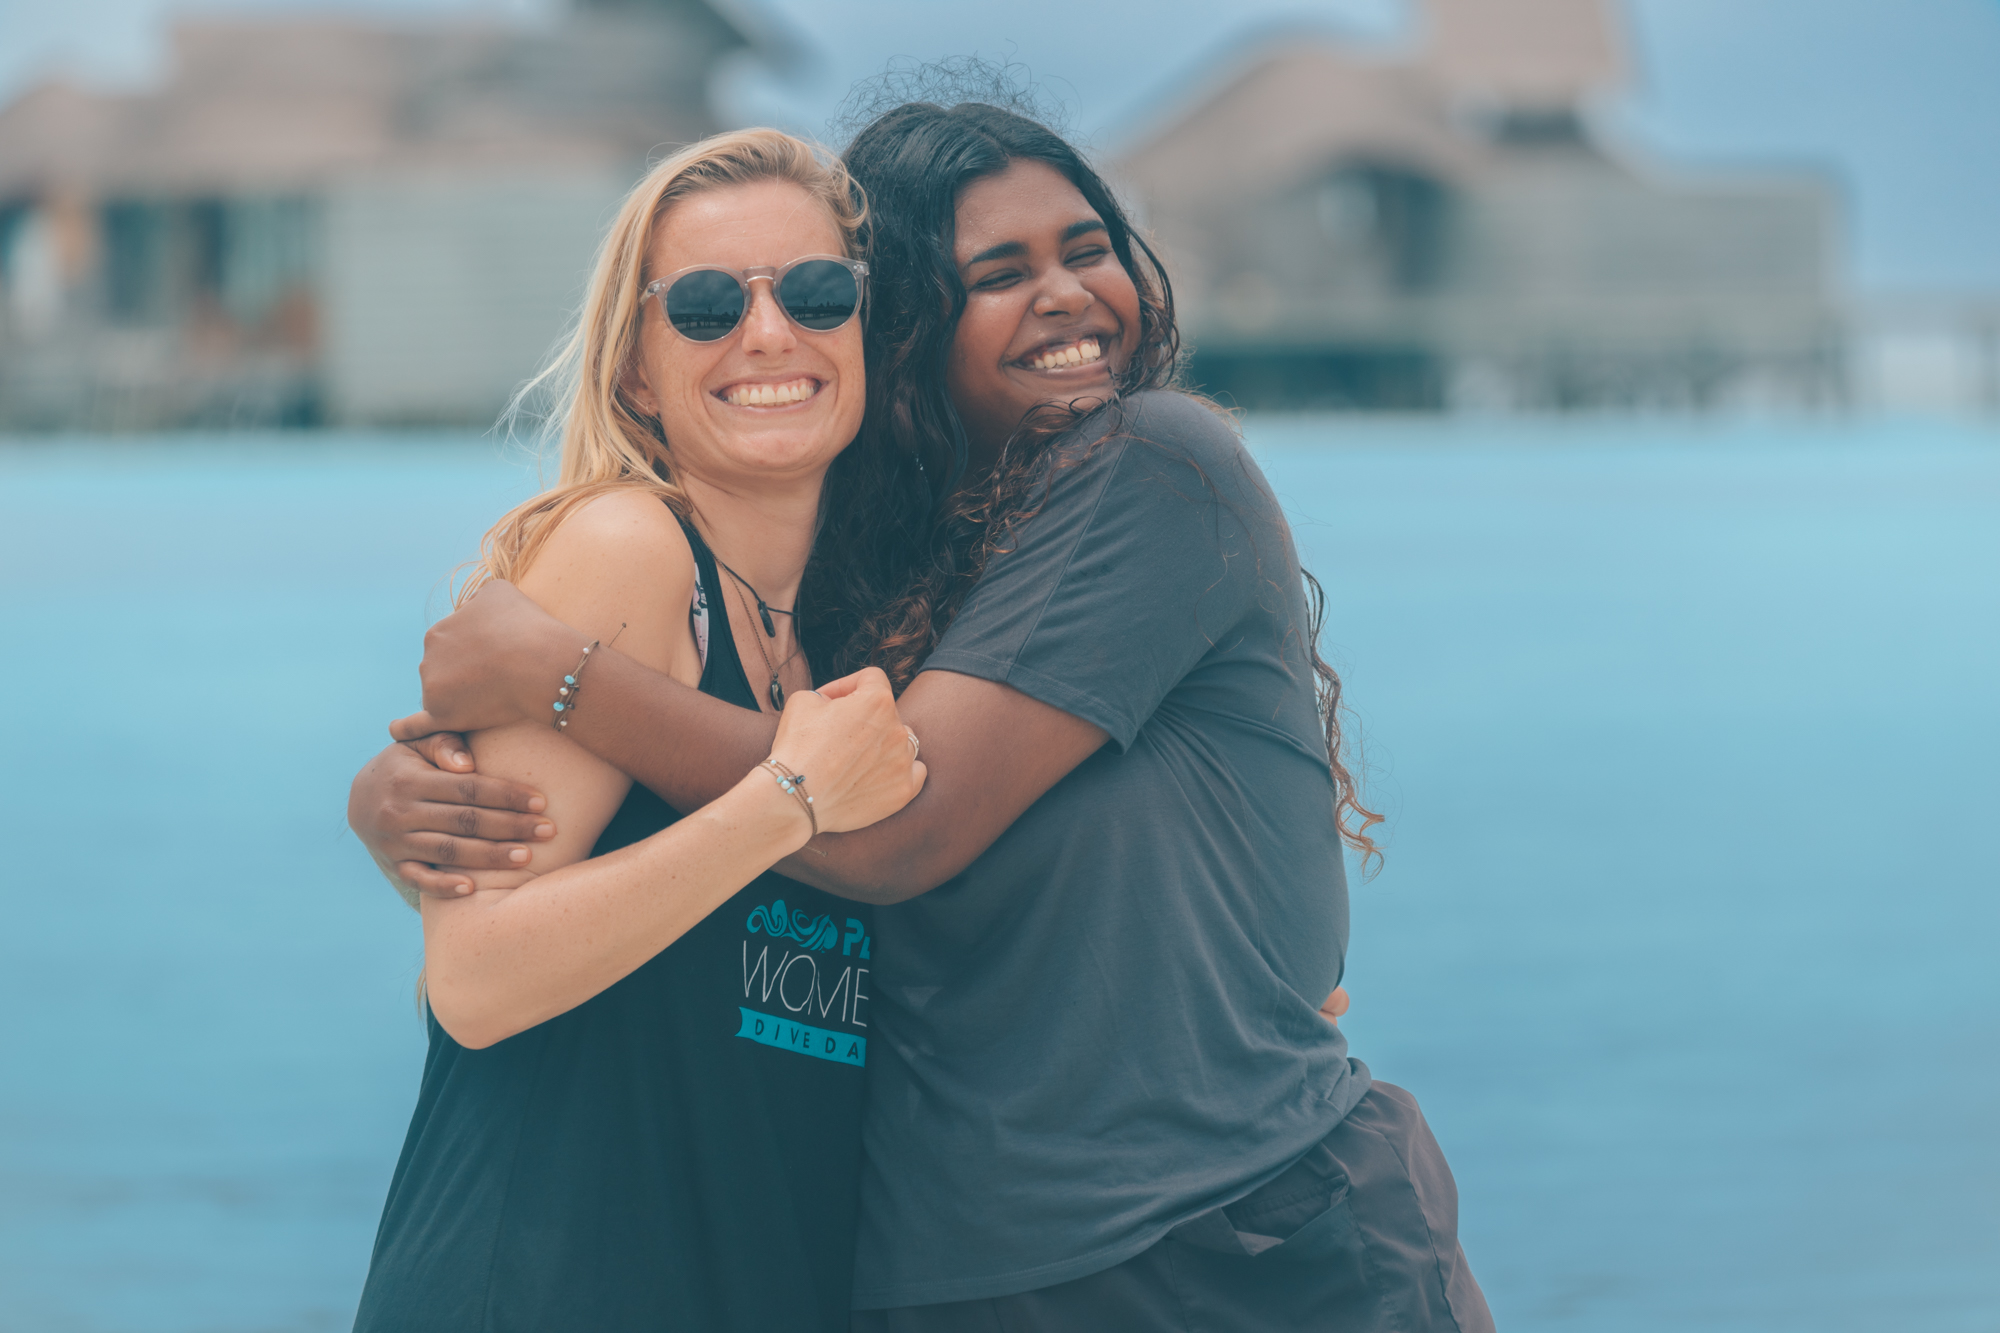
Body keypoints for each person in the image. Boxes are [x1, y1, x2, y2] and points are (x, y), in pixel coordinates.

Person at [353, 97, 1492, 1331]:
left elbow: (898, 823)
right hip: (833, 1276)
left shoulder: (1144, 468)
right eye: (703, 307)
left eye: (815, 294)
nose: (1062, 295)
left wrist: (566, 678)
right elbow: (500, 960)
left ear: (861, 326)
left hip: (1223, 1244)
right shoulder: (795, 593)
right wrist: (398, 808)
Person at [347, 129, 925, 1333]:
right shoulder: (630, 552)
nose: (769, 334)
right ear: (636, 372)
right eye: (707, 305)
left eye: (817, 292)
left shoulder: (844, 622)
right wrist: (782, 805)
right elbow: (475, 979)